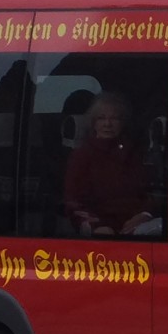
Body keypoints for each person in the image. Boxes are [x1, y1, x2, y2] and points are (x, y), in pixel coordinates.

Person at [63, 91, 158, 236]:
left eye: (115, 118)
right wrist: (97, 226)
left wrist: (145, 214)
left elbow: (150, 191)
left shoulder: (135, 152)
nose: (108, 124)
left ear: (123, 123)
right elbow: (74, 201)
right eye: (101, 118)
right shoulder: (82, 155)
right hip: (100, 227)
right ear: (93, 123)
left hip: (136, 225)